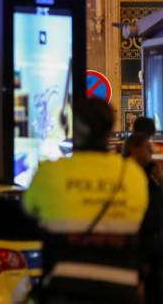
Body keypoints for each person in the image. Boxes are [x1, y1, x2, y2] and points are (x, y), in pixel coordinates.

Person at [24, 99, 148, 303]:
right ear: (109, 130)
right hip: (122, 289)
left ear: (76, 128)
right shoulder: (132, 174)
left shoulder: (51, 173)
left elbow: (28, 213)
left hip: (65, 288)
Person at [123, 132, 163, 304]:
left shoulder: (149, 175)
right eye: (147, 148)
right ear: (134, 149)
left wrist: (159, 177)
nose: (151, 151)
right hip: (135, 243)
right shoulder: (123, 174)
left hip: (153, 243)